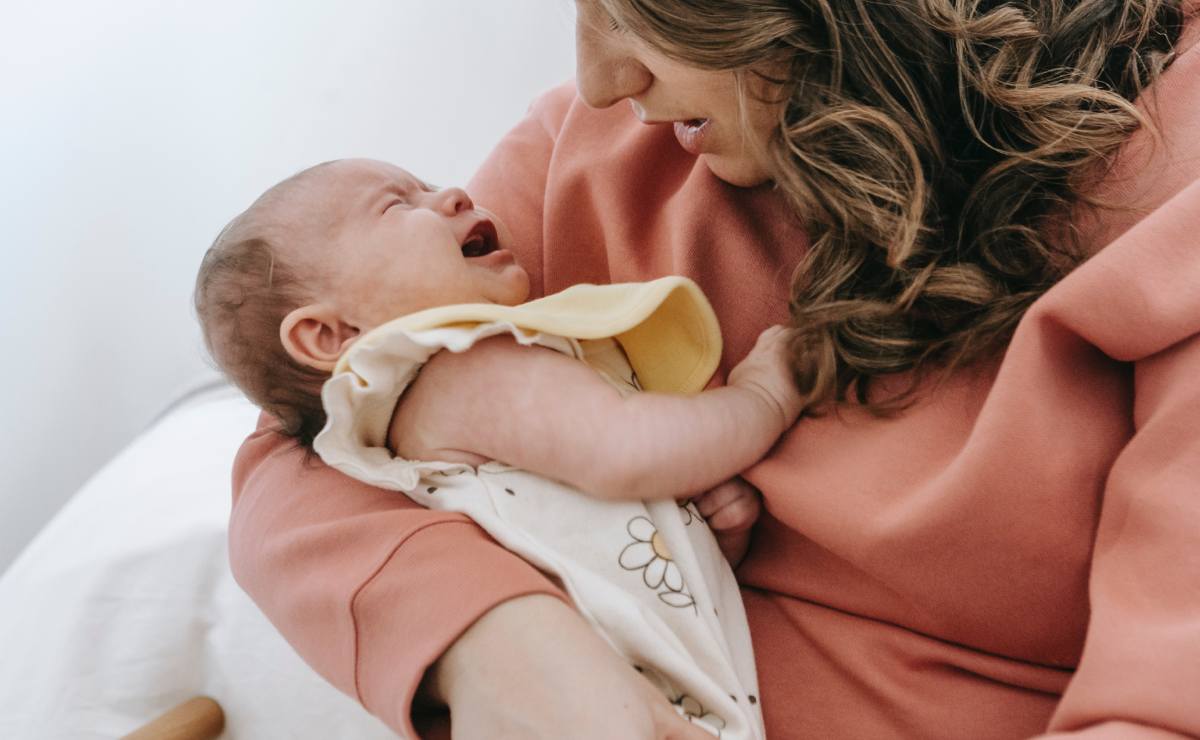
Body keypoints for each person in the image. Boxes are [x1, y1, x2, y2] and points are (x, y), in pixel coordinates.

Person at [227, 0, 1200, 737]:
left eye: (631, 7)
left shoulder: (1172, 163)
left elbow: (1162, 694)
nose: (599, 79)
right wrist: (501, 642)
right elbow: (314, 427)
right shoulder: (605, 144)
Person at [195, 157, 806, 738]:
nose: (453, 193)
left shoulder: (452, 403)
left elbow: (583, 544)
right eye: (396, 205)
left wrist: (697, 532)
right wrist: (762, 399)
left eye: (427, 184)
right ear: (329, 334)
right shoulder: (458, 368)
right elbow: (628, 452)